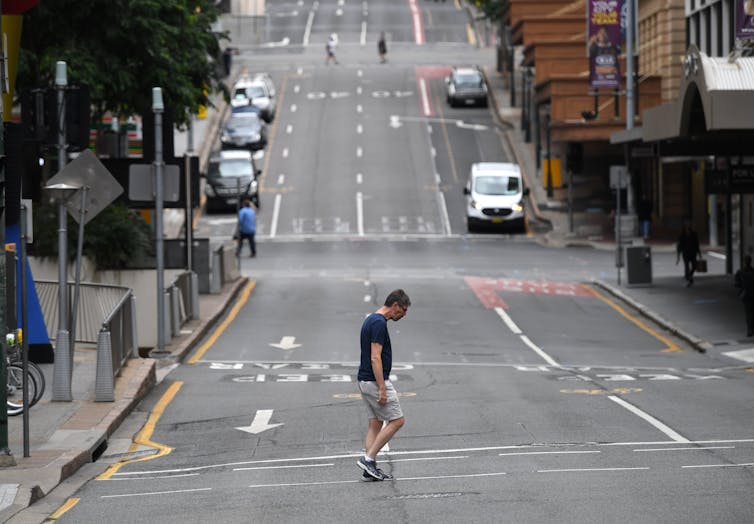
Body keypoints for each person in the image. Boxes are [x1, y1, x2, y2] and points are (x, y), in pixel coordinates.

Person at [356, 289, 411, 481]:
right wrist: (381, 387)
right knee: (397, 420)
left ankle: (369, 466)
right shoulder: (379, 323)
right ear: (395, 305)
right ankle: (368, 459)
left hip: (364, 380)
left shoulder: (372, 319)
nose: (403, 315)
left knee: (376, 423)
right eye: (403, 310)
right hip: (374, 381)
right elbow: (375, 357)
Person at [676, 221, 701, 287]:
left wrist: (699, 253)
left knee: (694, 266)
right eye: (686, 226)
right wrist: (678, 257)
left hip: (693, 252)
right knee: (686, 266)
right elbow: (679, 246)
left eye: (688, 226)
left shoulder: (694, 234)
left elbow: (697, 244)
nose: (687, 227)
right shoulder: (682, 235)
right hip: (685, 253)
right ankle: (689, 279)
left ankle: (689, 275)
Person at [735, 255, 754, 337]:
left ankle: (750, 330)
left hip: (746, 295)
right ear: (751, 261)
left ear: (744, 261)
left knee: (748, 313)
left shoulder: (740, 272)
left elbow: (737, 284)